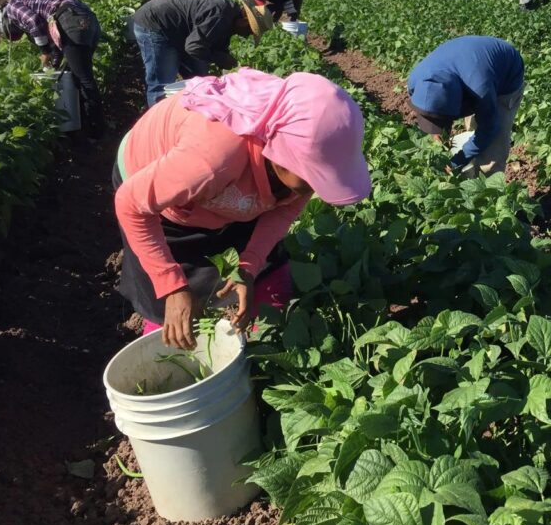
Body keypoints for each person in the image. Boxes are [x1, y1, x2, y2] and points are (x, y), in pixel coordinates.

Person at [113, 68, 371, 349]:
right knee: (169, 312)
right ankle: (169, 354)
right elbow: (131, 206)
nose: (315, 187)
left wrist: (248, 268)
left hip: (231, 190)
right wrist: (172, 287)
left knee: (269, 280)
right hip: (157, 197)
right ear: (279, 153)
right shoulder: (212, 159)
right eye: (313, 175)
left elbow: (282, 211)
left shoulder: (303, 152)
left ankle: (263, 348)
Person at [130, 0, 274, 106]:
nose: (246, 36)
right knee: (162, 84)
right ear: (244, 22)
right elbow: (194, 47)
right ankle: (157, 125)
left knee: (200, 78)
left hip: (182, 32)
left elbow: (213, 44)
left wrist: (230, 62)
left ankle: (192, 115)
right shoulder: (220, 15)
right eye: (250, 31)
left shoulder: (230, 18)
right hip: (156, 25)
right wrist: (220, 58)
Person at [0, 0, 103, 137]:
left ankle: (96, 131)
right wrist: (55, 62)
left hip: (72, 20)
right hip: (87, 19)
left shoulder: (12, 6)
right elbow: (55, 37)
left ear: (4, 20)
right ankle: (84, 123)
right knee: (77, 75)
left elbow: (33, 21)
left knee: (84, 79)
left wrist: (44, 51)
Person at [407, 36, 524, 177]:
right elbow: (430, 111)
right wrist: (438, 138)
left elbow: (490, 128)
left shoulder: (480, 88)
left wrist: (457, 161)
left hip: (506, 74)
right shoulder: (415, 80)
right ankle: (470, 164)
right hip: (468, 66)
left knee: (491, 148)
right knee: (472, 132)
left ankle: (488, 191)